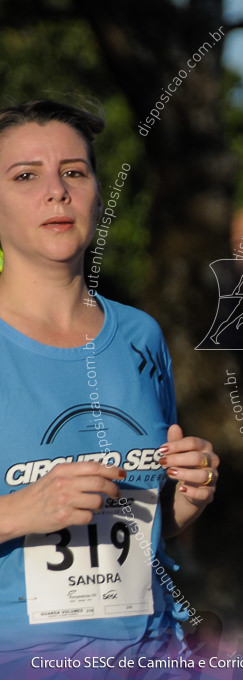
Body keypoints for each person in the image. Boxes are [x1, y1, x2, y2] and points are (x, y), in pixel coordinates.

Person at [0, 100, 219, 670]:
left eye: (74, 171)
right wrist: (21, 512)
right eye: (26, 176)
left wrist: (185, 501)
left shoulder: (140, 335)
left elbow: (143, 532)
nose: (57, 191)